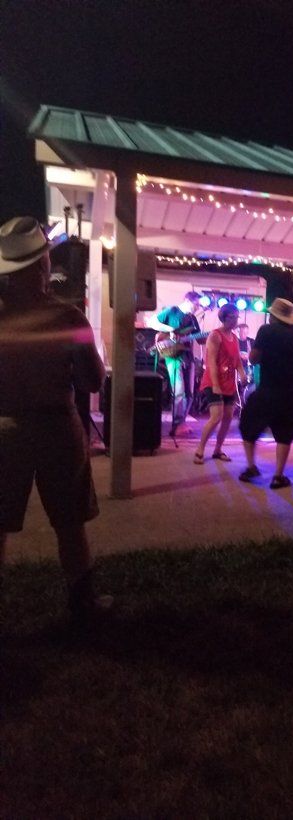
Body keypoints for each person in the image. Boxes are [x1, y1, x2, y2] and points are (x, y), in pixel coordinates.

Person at [0, 216, 110, 619]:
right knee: (69, 521)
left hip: (3, 426)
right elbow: (94, 381)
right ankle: (83, 602)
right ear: (44, 265)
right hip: (55, 427)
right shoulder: (68, 318)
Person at [238, 298, 293, 489]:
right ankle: (278, 476)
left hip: (267, 389)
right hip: (290, 393)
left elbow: (253, 358)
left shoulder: (266, 331)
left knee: (247, 425)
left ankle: (251, 467)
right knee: (284, 433)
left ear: (274, 316)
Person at [193, 303, 246, 464]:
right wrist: (215, 385)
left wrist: (242, 373)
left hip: (228, 382)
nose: (236, 320)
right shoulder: (215, 336)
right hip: (213, 381)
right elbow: (211, 362)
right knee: (216, 417)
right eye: (233, 317)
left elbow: (236, 360)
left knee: (228, 417)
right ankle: (200, 449)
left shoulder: (234, 337)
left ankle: (218, 449)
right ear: (224, 318)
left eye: (237, 317)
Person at [155, 291, 203, 436]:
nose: (198, 307)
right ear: (188, 300)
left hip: (188, 356)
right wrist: (170, 331)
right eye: (196, 304)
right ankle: (177, 425)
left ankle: (182, 422)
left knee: (189, 394)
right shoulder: (172, 311)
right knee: (179, 392)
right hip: (173, 356)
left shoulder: (193, 319)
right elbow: (152, 322)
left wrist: (212, 336)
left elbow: (199, 339)